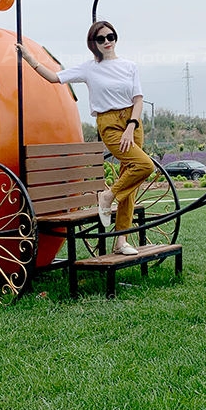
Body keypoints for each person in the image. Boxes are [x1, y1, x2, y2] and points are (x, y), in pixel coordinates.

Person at [16, 20, 154, 255]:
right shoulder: (89, 68)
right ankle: (107, 196)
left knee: (129, 184)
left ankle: (121, 241)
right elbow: (54, 77)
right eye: (101, 39)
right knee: (144, 165)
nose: (107, 42)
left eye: (110, 36)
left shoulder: (130, 66)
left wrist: (132, 125)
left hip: (132, 123)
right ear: (94, 43)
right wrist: (30, 59)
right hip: (109, 123)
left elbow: (138, 99)